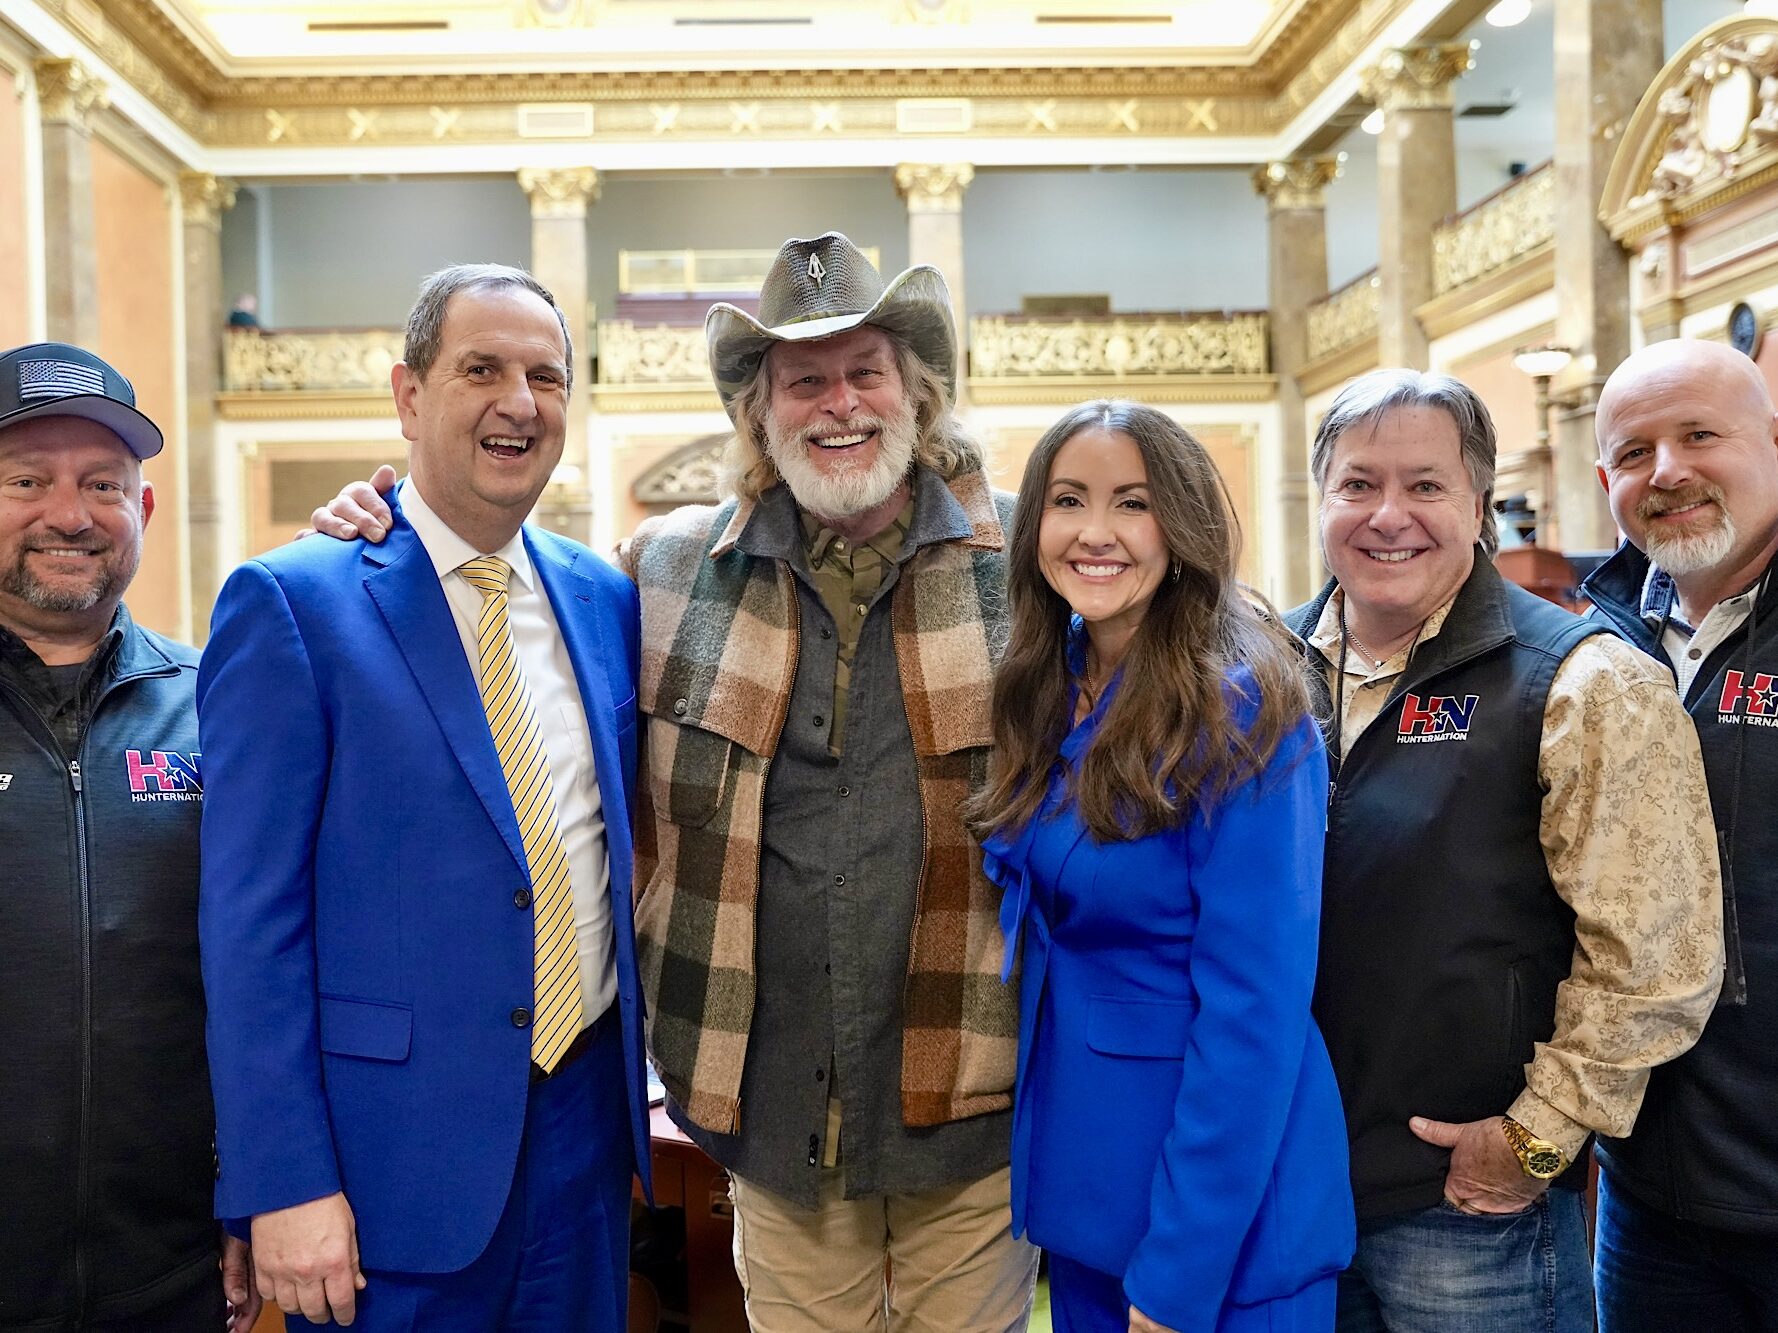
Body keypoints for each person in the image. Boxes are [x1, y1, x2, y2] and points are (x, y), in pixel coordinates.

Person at [309, 233, 1038, 1332]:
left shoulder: (1031, 565)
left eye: (864, 371)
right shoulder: (661, 571)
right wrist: (385, 515)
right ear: (759, 410)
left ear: (916, 391)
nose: (836, 403)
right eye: (802, 379)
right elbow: (482, 591)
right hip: (771, 1108)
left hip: (975, 1096)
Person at [198, 264, 650, 1329]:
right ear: (408, 395)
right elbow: (248, 924)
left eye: (545, 376)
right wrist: (280, 1180)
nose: (518, 402)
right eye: (480, 369)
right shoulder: (293, 604)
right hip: (382, 1167)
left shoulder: (605, 599)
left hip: (581, 1141)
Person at [1284, 367, 1723, 1333]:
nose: (1388, 514)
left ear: (1479, 504)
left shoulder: (1585, 680)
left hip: (1466, 1209)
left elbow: (1658, 956)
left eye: (1426, 485)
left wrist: (1535, 1139)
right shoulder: (1264, 674)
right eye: (1359, 484)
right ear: (1321, 500)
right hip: (1287, 1189)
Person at [971, 399, 1355, 1333]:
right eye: (1067, 500)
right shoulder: (1047, 684)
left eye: (1131, 504)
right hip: (1091, 1203)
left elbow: (1253, 1016)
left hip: (1217, 1230)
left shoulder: (1251, 715)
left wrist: (1177, 1277)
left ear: (1180, 527)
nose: (1094, 533)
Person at [0, 342, 259, 1331]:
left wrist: (254, 1185)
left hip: (171, 1271)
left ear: (142, 511)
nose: (70, 513)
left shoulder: (222, 704)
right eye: (28, 479)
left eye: (103, 483)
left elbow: (265, 968)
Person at [1583, 337, 1778, 1331]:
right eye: (1633, 451)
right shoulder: (1584, 644)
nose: (1666, 470)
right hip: (1650, 1197)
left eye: (1698, 434)